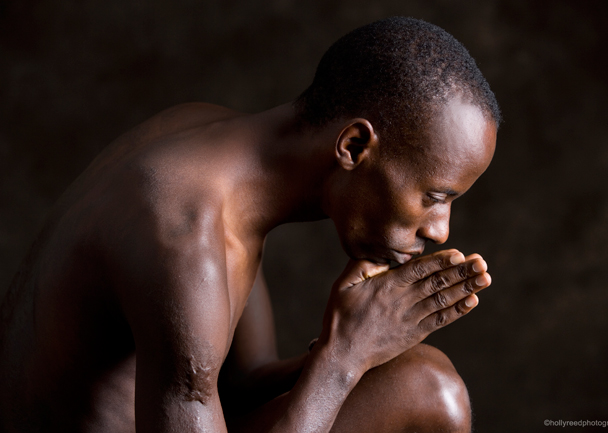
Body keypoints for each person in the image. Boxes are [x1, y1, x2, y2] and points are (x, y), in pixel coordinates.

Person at [0, 16, 500, 433]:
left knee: (418, 378)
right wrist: (344, 358)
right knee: (431, 393)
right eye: (434, 197)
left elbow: (235, 383)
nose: (440, 229)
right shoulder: (184, 235)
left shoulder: (217, 150)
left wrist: (359, 336)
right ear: (351, 147)